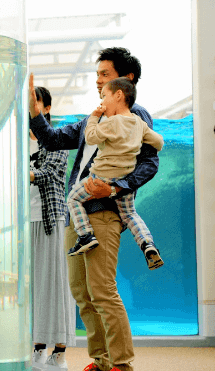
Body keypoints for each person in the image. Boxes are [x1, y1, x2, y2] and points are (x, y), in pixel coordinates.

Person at [29, 47, 159, 371]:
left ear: (125, 80)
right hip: (77, 215)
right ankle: (101, 362)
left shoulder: (135, 116)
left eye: (104, 74)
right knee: (81, 293)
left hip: (104, 211)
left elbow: (149, 163)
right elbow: (52, 139)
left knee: (102, 291)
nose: (97, 80)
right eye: (96, 74)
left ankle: (122, 365)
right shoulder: (93, 116)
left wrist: (116, 188)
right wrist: (34, 114)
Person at [67, 77, 164, 271]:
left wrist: (95, 116)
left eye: (104, 96)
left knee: (73, 199)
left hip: (99, 178)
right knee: (129, 214)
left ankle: (85, 235)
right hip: (123, 181)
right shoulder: (139, 123)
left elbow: (91, 136)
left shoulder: (111, 122)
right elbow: (159, 142)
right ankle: (147, 244)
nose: (101, 101)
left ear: (118, 95)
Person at [29, 86, 76, 371]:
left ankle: (59, 351)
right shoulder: (20, 142)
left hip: (52, 219)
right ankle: (38, 346)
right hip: (26, 223)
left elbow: (50, 173)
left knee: (57, 283)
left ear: (46, 108)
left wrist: (28, 173)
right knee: (35, 286)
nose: (30, 109)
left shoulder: (55, 139)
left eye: (35, 103)